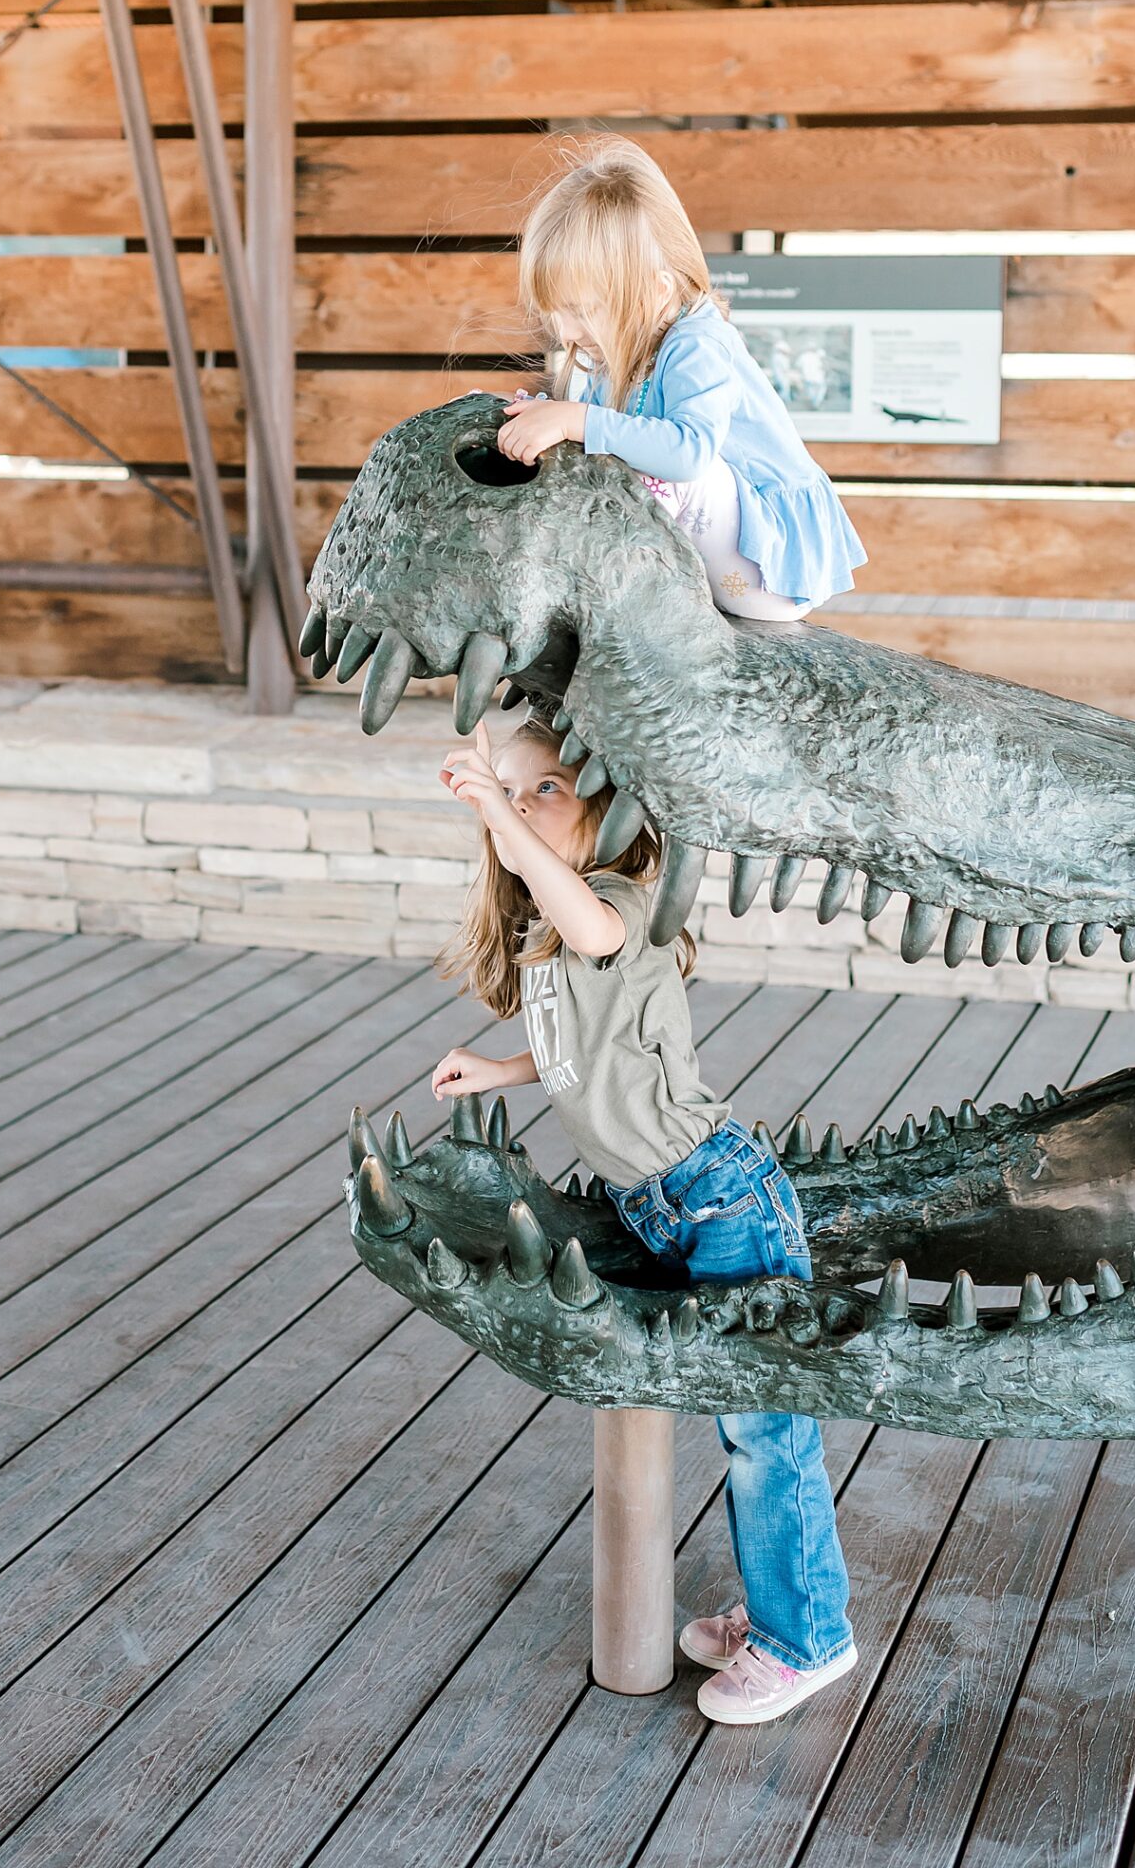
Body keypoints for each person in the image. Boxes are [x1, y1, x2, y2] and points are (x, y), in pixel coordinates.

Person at [430, 712, 856, 1725]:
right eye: (516, 788)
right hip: (660, 1204)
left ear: (610, 813)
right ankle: (776, 1612)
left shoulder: (615, 903)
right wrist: (500, 1068)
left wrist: (494, 802)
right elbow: (581, 1049)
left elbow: (587, 923)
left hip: (723, 1198)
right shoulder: (553, 929)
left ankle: (809, 1639)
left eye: (546, 788)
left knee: (764, 1426)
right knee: (723, 1410)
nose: (524, 802)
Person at [494, 134, 865, 621]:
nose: (565, 331)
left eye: (582, 310)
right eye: (555, 312)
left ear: (656, 290)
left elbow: (689, 454)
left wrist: (579, 419)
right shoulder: (608, 349)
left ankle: (602, 580)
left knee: (673, 460)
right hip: (707, 555)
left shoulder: (697, 343)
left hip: (763, 570)